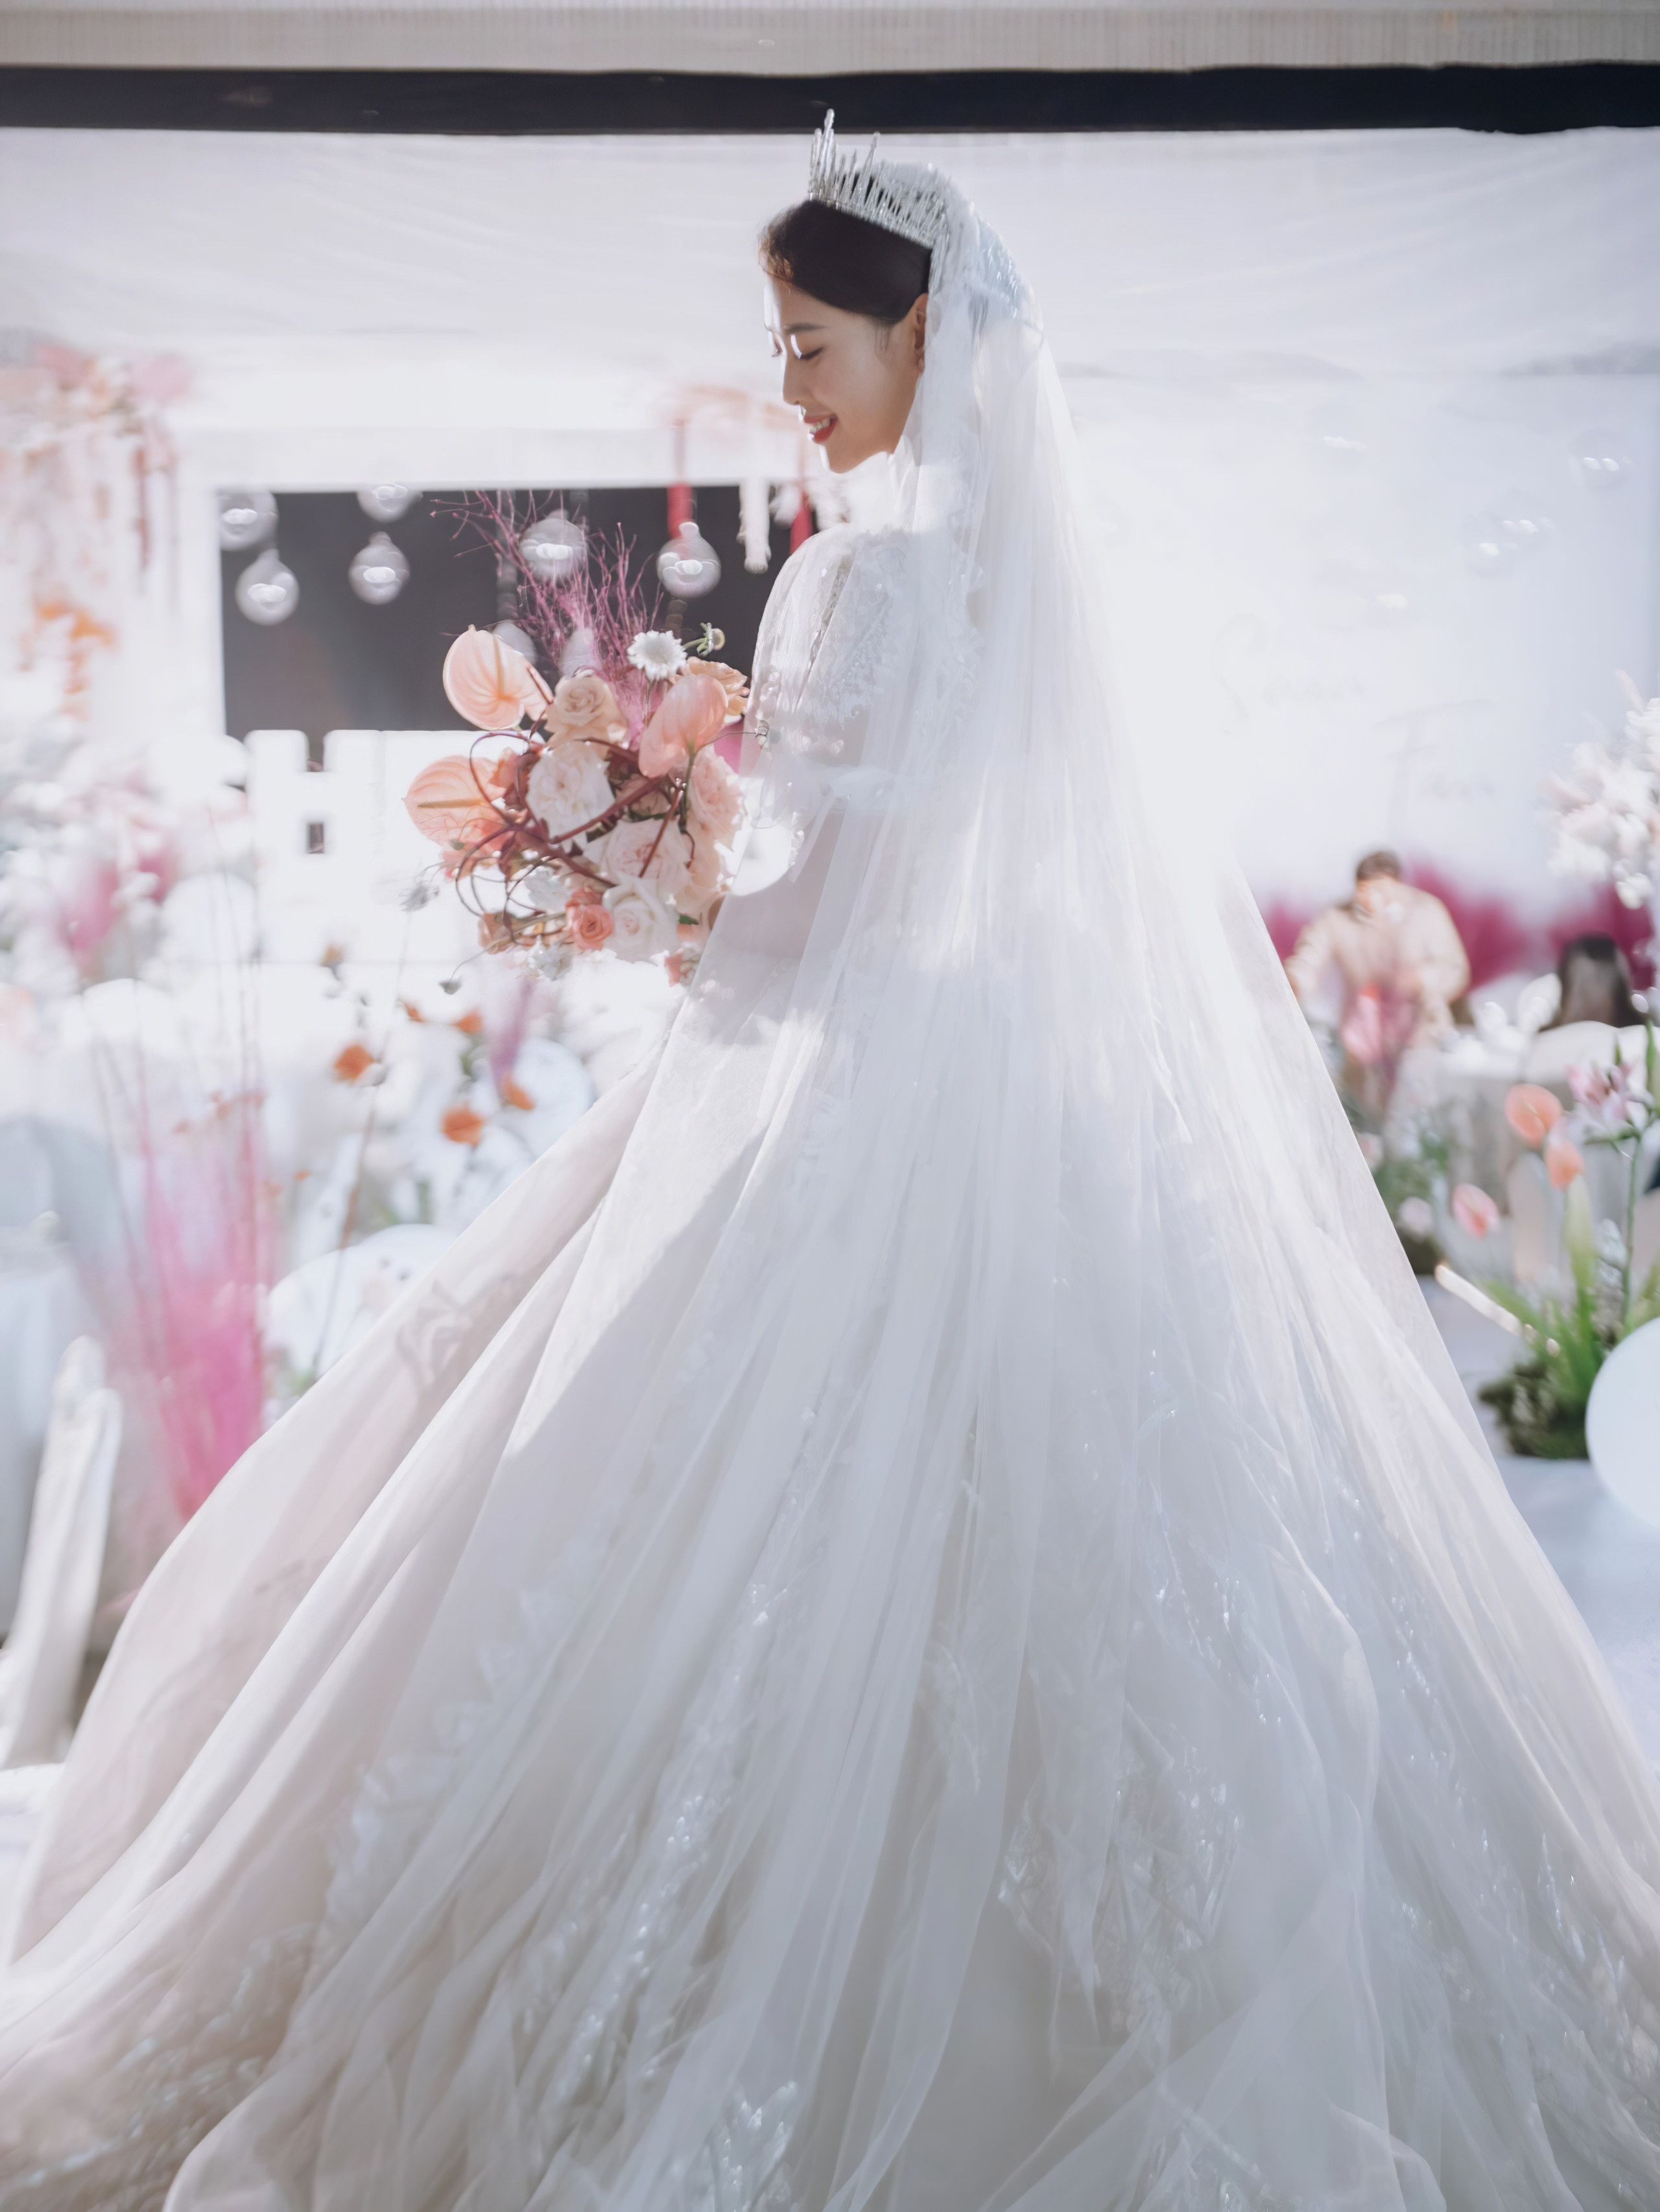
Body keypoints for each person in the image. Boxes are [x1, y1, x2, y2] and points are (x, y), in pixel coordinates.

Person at [3, 120, 1660, 2212]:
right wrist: (667, 867)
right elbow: (938, 896)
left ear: (921, 337)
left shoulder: (861, 577)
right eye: (782, 343)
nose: (788, 384)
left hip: (832, 1112)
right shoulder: (1006, 591)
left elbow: (818, 920)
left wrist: (639, 892)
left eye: (810, 343)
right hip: (990, 1115)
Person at [1285, 849, 1470, 1121]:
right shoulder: (1337, 917)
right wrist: (1294, 982)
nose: (1372, 900)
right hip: (1361, 1038)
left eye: (1381, 890)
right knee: (1358, 1116)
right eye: (1364, 891)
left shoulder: (1427, 912)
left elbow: (1455, 969)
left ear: (1398, 884)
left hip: (1419, 1035)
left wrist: (1419, 978)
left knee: (1413, 1117)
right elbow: (1310, 956)